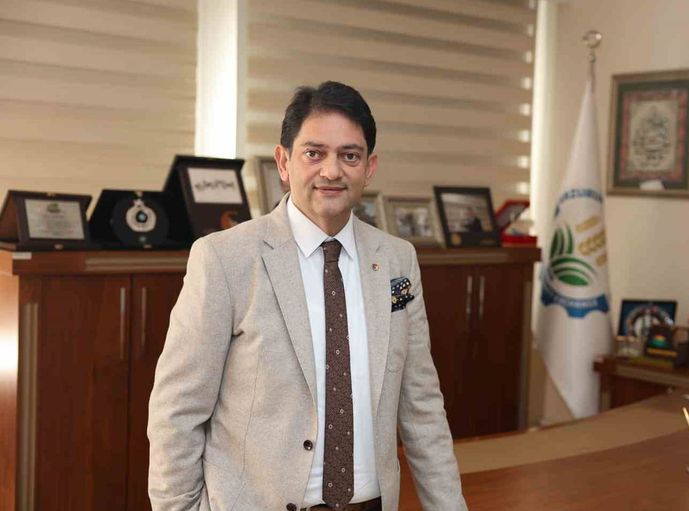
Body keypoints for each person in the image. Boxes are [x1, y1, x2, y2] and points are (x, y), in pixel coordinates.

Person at [148, 81, 467, 511]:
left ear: (369, 167)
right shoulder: (225, 258)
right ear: (283, 162)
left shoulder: (397, 260)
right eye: (314, 153)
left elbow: (422, 408)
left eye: (349, 156)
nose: (331, 171)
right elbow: (177, 411)